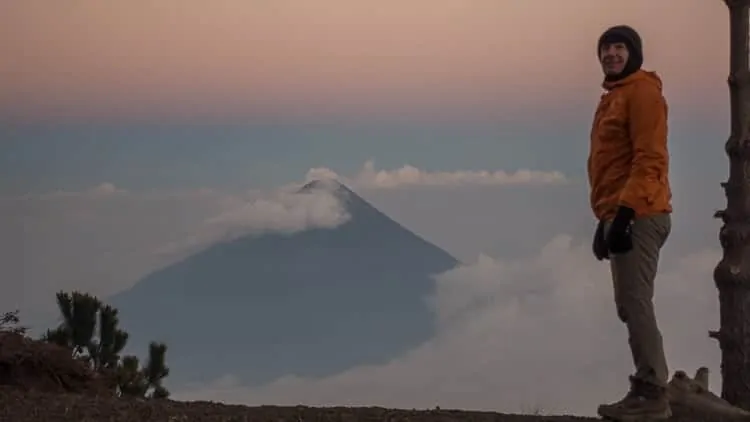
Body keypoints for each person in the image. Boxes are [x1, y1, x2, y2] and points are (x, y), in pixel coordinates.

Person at [588, 25, 673, 421]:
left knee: (635, 301)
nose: (612, 54)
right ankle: (646, 388)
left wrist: (623, 216)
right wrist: (606, 219)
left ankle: (653, 393)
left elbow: (649, 160)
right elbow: (615, 165)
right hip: (624, 212)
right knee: (629, 303)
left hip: (641, 214)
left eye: (620, 47)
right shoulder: (615, 97)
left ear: (634, 53)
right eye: (606, 49)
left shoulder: (642, 94)